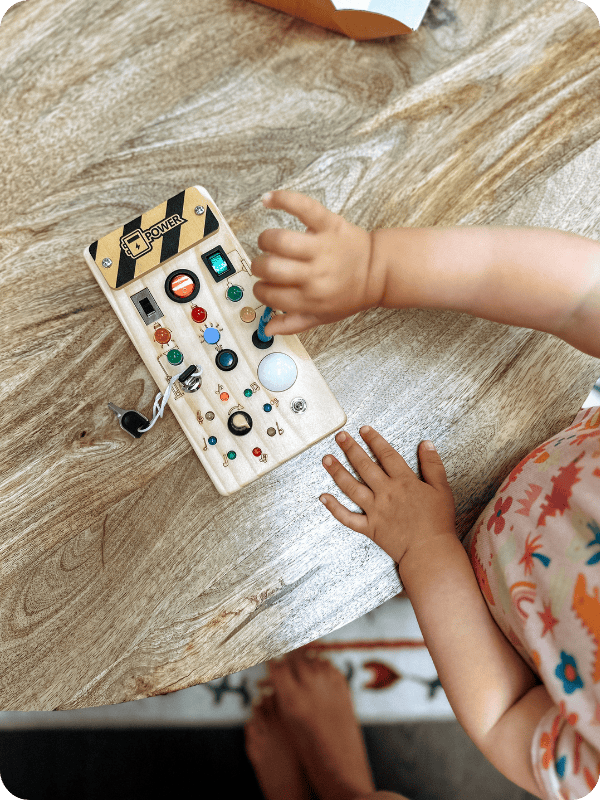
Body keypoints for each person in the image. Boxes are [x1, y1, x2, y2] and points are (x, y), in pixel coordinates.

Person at [243, 189, 600, 800]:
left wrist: (425, 549)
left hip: (475, 581)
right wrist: (378, 268)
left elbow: (507, 712)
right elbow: (580, 297)